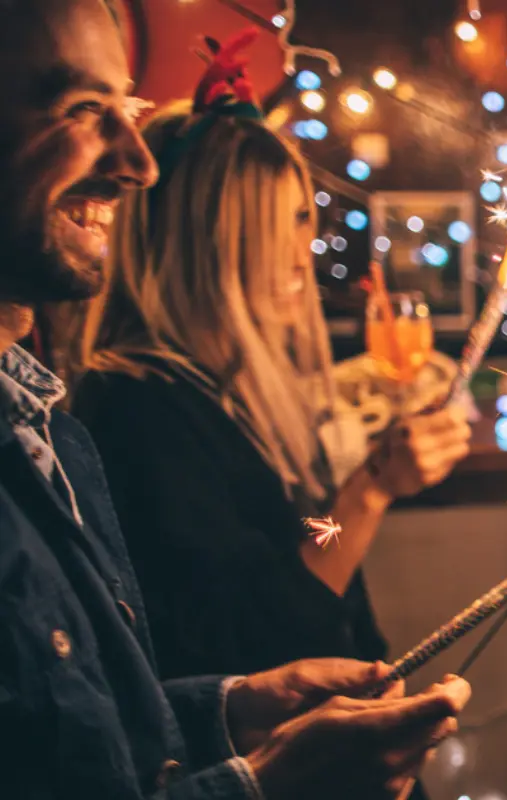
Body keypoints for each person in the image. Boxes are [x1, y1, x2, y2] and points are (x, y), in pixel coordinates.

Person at [0, 2, 470, 798]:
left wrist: (227, 710)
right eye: (83, 108)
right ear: (212, 238)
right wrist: (375, 488)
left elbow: (95, 722)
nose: (136, 164)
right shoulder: (134, 406)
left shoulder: (54, 426)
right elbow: (248, 625)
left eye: (131, 111)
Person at [69, 31, 471, 681]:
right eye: (265, 224)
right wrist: (370, 490)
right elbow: (248, 640)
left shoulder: (236, 389)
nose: (296, 254)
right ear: (194, 244)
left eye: (297, 218)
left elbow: (310, 564)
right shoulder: (136, 406)